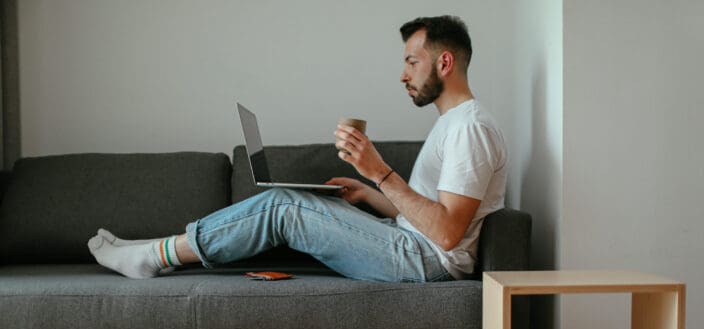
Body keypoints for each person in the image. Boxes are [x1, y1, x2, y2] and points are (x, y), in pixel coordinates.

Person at [88, 15, 507, 282]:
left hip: (426, 263)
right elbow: (426, 215)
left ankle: (154, 255)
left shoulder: (470, 129)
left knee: (283, 208)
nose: (403, 74)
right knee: (291, 201)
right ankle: (156, 248)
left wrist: (379, 171)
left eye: (412, 62)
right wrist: (369, 195)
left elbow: (448, 235)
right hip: (412, 243)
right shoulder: (451, 124)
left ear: (445, 63)